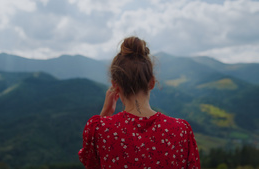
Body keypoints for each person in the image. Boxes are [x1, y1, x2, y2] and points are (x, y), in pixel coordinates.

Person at [78, 36, 200, 169]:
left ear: (115, 86)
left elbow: (90, 162)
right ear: (152, 82)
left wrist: (105, 115)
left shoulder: (100, 129)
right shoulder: (181, 130)